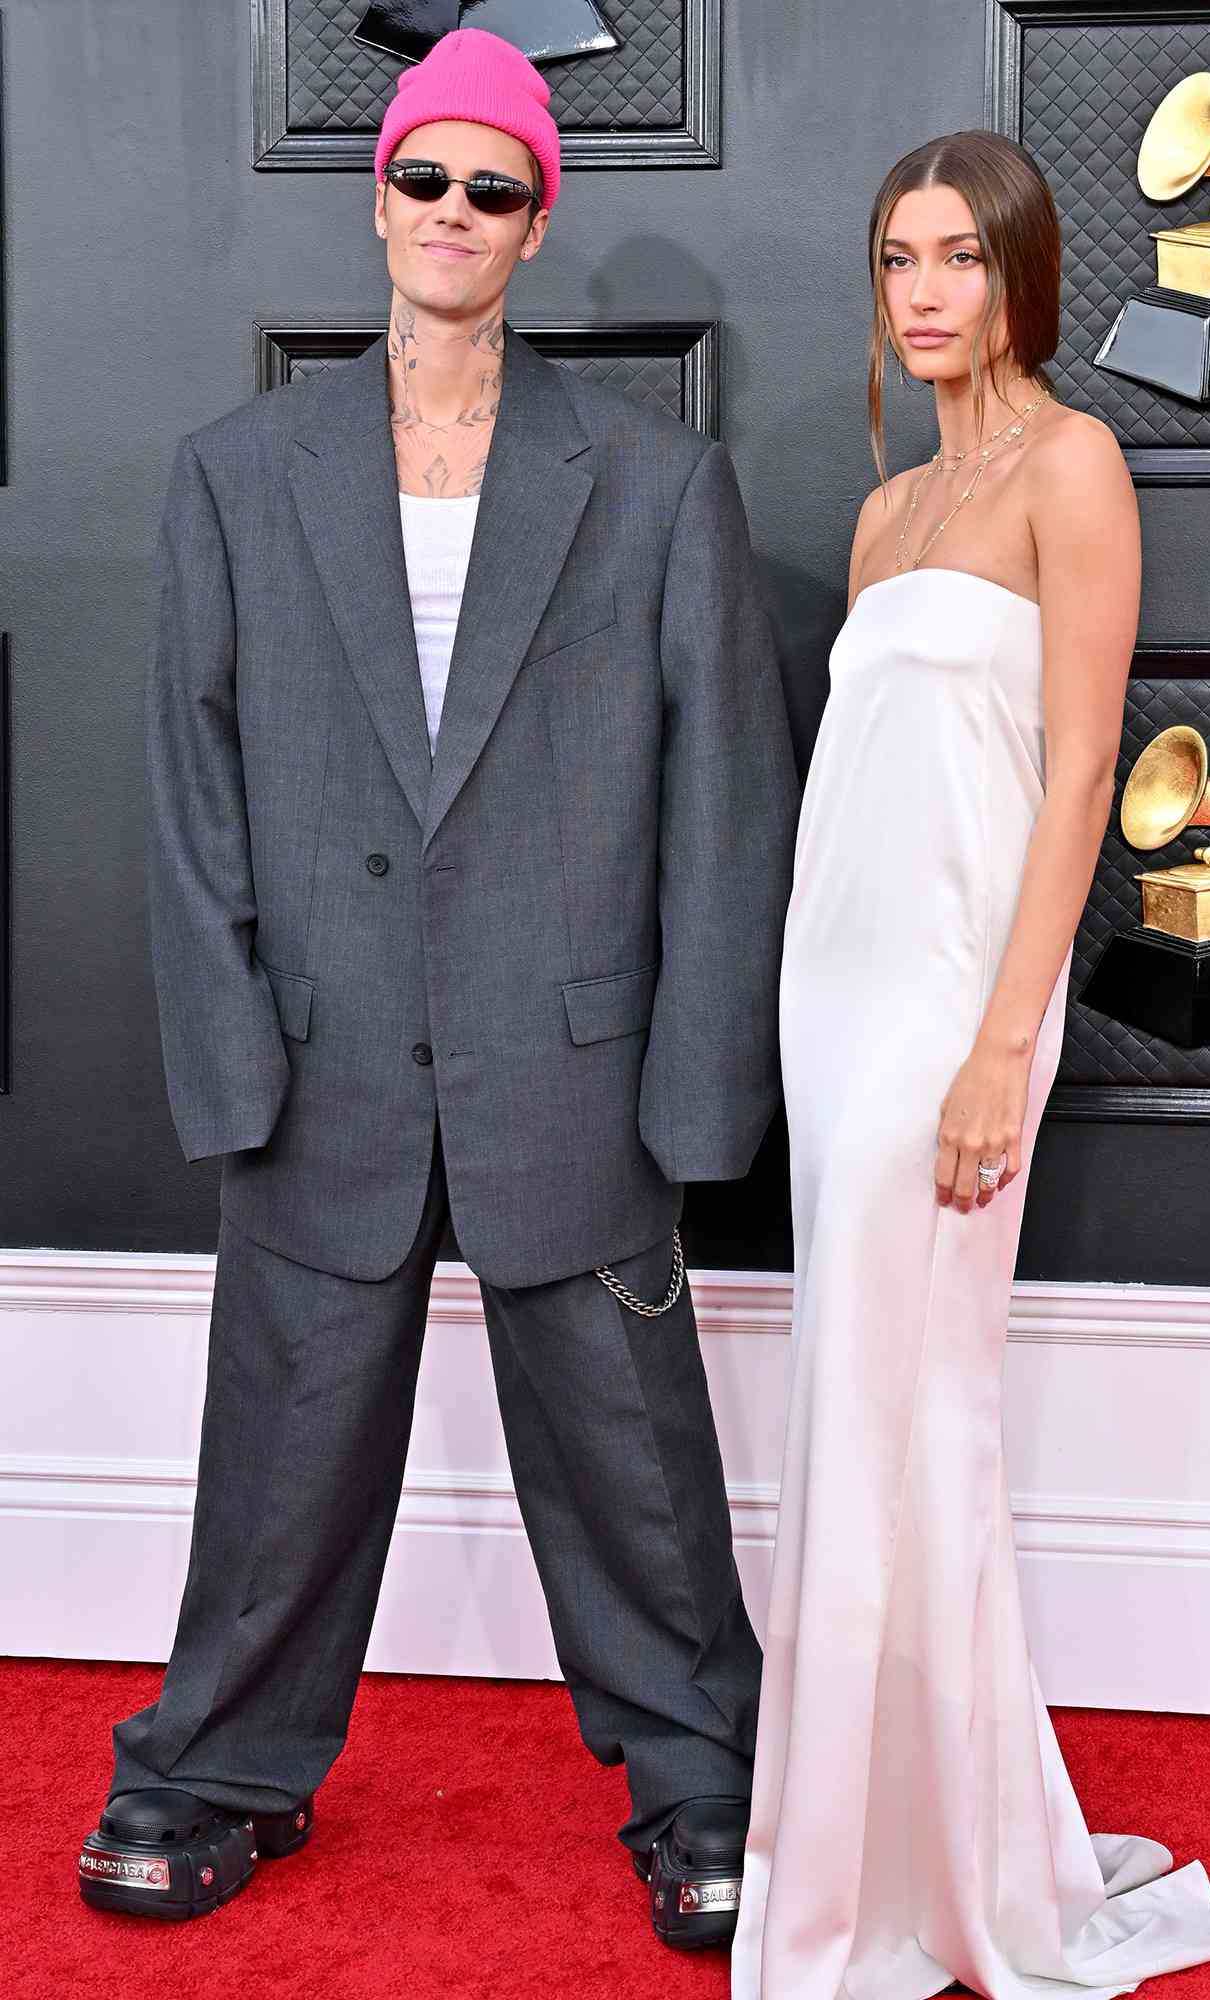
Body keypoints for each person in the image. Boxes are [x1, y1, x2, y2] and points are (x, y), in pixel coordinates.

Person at [78, 28, 798, 1943]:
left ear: (537, 221)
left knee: (635, 1469)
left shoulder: (653, 483)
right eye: (425, 178)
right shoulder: (236, 474)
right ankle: (212, 1773)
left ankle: (699, 1784)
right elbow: (191, 785)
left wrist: (697, 1097)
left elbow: (725, 806)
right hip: (317, 1063)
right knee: (280, 1464)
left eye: (494, 187)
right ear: (374, 195)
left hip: (575, 1062)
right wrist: (229, 1056)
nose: (453, 213)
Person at [731, 131, 1210, 1999]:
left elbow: (1082, 774)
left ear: (1020, 274)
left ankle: (952, 1876)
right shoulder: (884, 517)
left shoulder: (1074, 466)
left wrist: (1000, 1041)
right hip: (830, 994)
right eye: (894, 258)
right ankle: (863, 1850)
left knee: (921, 1423)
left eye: (957, 255)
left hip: (952, 1010)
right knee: (848, 1423)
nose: (924, 289)